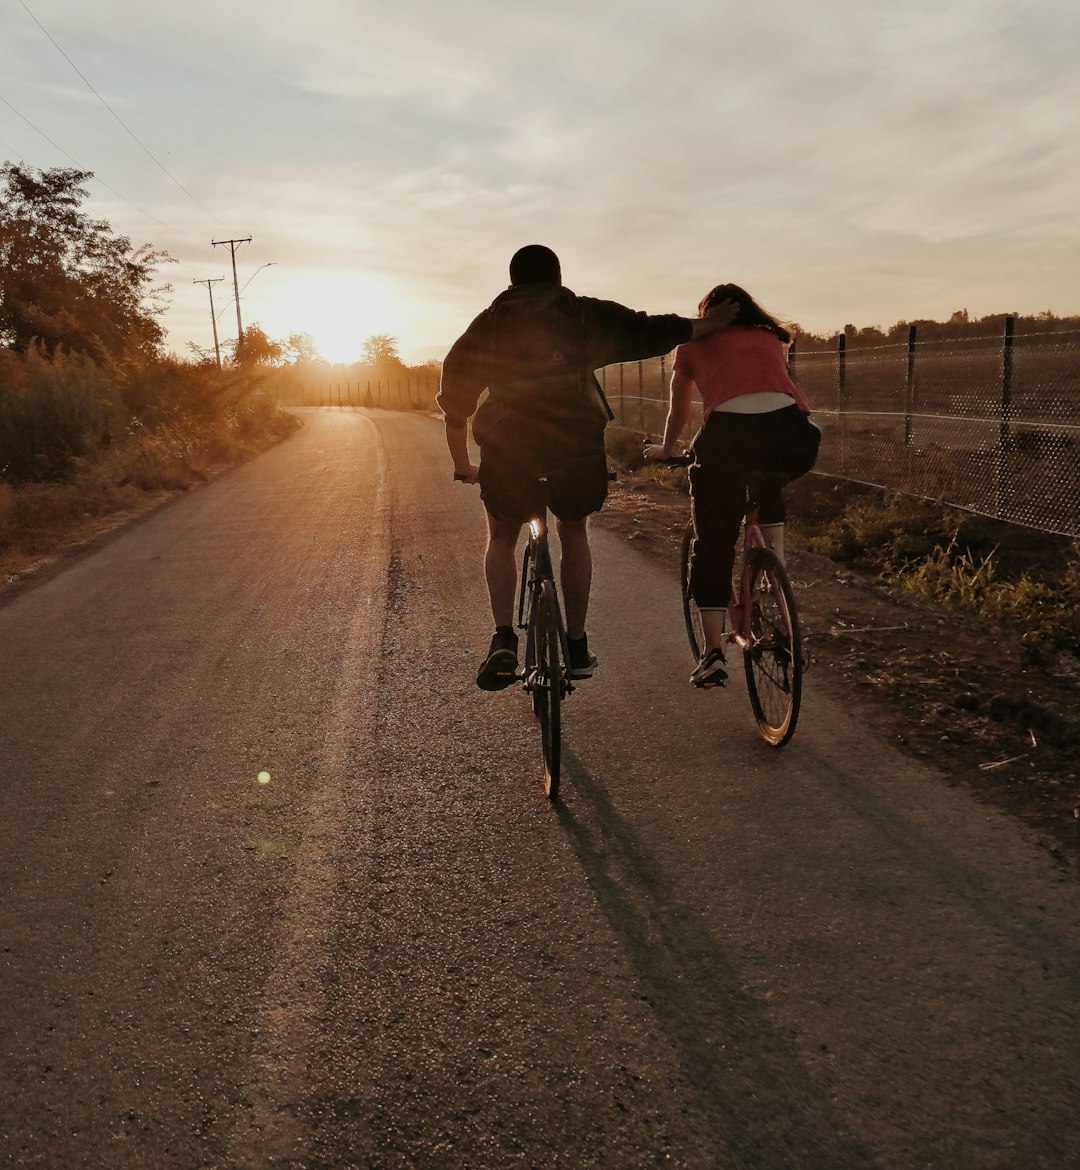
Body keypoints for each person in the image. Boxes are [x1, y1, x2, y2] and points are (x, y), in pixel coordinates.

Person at [439, 245, 736, 691]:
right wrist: (707, 325)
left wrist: (464, 463)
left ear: (512, 281)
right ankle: (575, 645)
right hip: (574, 442)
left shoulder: (490, 324)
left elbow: (455, 404)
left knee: (502, 535)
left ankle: (503, 640)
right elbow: (647, 328)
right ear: (558, 278)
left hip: (508, 443)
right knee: (573, 530)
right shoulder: (581, 315)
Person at [644, 282, 820, 688]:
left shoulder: (691, 345)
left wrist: (667, 448)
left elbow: (680, 408)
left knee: (715, 544)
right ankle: (776, 571)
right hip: (796, 436)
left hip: (727, 439)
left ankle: (712, 654)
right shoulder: (772, 338)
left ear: (707, 314)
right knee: (768, 478)